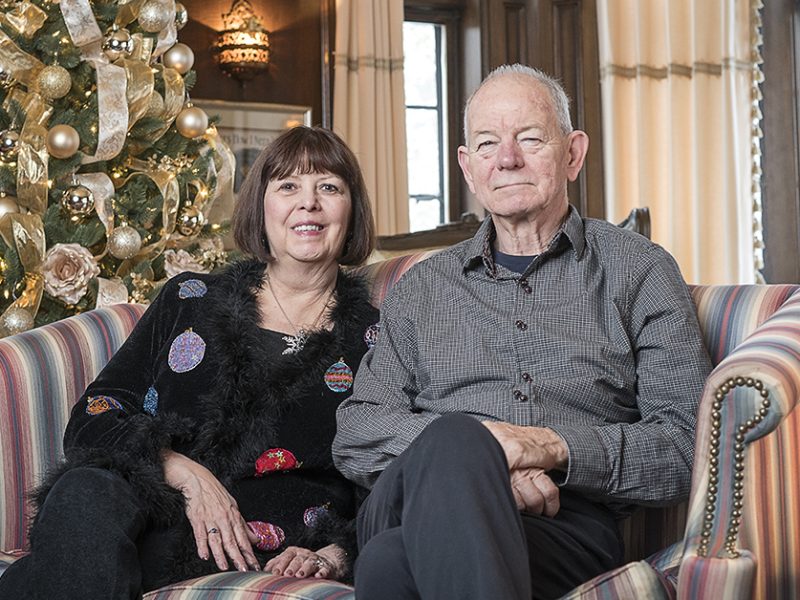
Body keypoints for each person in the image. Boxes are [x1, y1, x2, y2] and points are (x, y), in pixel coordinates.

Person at [333, 64, 713, 599]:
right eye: (487, 143)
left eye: (529, 138)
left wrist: (549, 447)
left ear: (573, 153)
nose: (507, 158)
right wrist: (482, 463)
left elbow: (685, 446)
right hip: (406, 498)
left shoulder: (639, 271)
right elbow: (357, 431)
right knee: (455, 439)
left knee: (389, 563)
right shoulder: (422, 288)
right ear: (468, 167)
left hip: (564, 526)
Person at [0, 126, 379, 599]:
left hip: (259, 538)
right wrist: (183, 471)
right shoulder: (189, 297)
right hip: (138, 508)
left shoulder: (375, 338)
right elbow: (94, 416)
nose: (309, 203)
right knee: (83, 491)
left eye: (329, 187)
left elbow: (383, 476)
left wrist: (337, 552)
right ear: (261, 207)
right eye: (288, 186)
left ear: (352, 209)